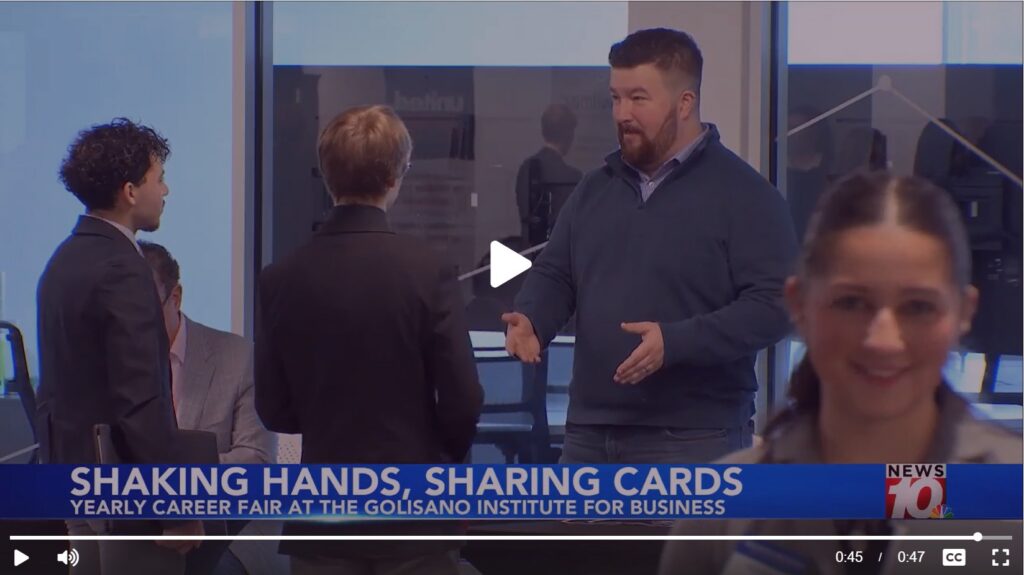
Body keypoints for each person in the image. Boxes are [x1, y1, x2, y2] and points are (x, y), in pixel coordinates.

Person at [659, 171, 1023, 575]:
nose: (883, 340)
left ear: (964, 312)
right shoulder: (725, 508)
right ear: (799, 304)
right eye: (851, 303)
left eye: (918, 307)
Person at [503, 28, 798, 463]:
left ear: (685, 104)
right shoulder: (594, 189)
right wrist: (532, 316)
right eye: (615, 98)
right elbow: (556, 272)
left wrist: (676, 342)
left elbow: (778, 305)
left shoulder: (745, 195)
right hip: (588, 433)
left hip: (694, 437)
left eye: (638, 98)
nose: (622, 113)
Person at [254, 105, 484, 575]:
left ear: (327, 176)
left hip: (323, 521)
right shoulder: (427, 271)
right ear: (396, 176)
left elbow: (274, 410)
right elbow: (464, 400)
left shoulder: (280, 278)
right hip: (414, 517)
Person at [37, 118, 216, 574]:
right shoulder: (122, 267)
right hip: (122, 493)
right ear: (130, 191)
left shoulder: (63, 258)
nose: (167, 191)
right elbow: (140, 399)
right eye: (160, 179)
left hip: (71, 478)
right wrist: (176, 506)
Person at [140, 241, 282, 575]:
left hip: (227, 522)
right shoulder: (116, 366)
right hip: (141, 522)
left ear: (175, 298)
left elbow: (255, 459)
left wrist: (177, 488)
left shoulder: (238, 356)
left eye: (144, 312)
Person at [515, 103, 584, 246]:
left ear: (543, 130)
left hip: (528, 255)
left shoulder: (525, 168)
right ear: (569, 134)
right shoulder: (573, 178)